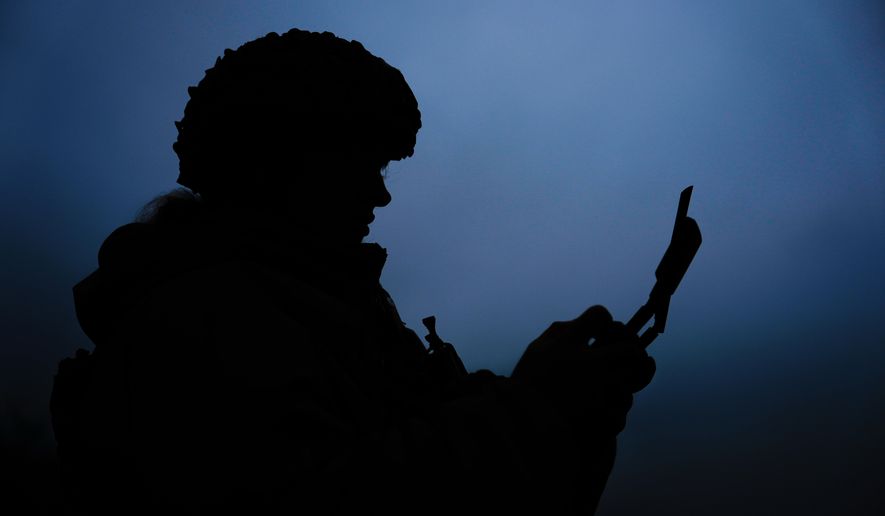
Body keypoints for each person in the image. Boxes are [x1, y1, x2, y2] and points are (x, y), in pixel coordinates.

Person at [51, 28, 655, 515]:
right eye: (364, 165)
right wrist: (538, 411)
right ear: (276, 164)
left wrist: (571, 411)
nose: (381, 197)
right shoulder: (200, 320)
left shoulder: (327, 315)